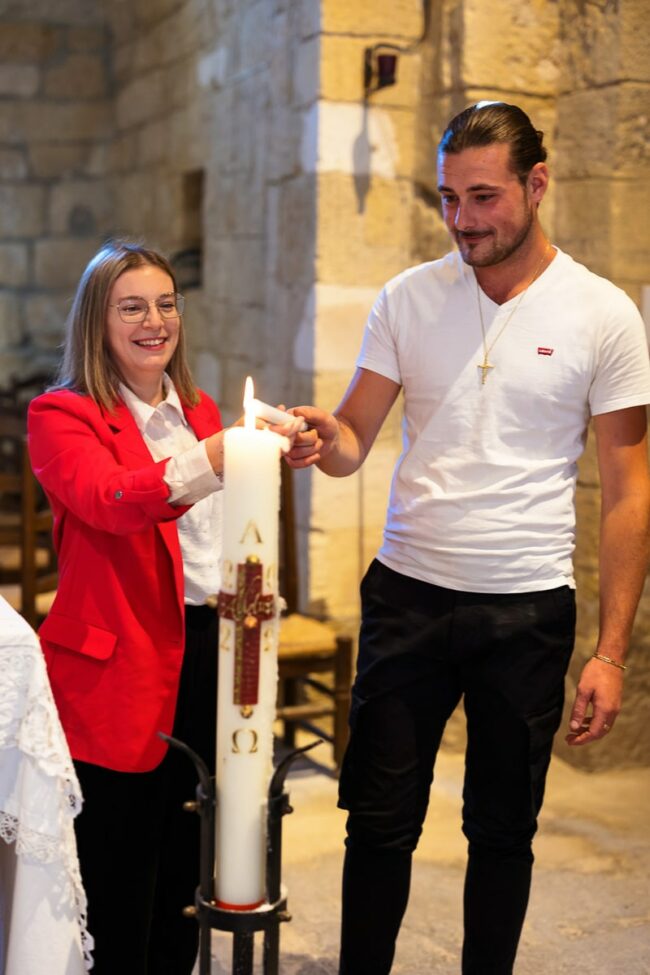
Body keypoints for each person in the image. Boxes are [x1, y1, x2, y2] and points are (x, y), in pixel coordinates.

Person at [286, 102, 650, 974]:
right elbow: (352, 438)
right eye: (449, 198)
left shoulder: (603, 313)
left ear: (537, 183)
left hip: (526, 609)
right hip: (406, 593)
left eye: (483, 197)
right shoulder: (408, 298)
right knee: (377, 821)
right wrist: (322, 437)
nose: (462, 220)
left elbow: (630, 493)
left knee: (502, 830)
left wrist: (610, 651)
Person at [27, 239, 299, 975]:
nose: (155, 321)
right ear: (97, 320)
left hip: (210, 647)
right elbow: (109, 500)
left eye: (166, 304)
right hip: (118, 659)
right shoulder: (63, 413)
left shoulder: (201, 410)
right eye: (132, 308)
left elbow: (221, 535)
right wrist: (215, 457)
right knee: (117, 871)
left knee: (188, 861)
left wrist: (277, 448)